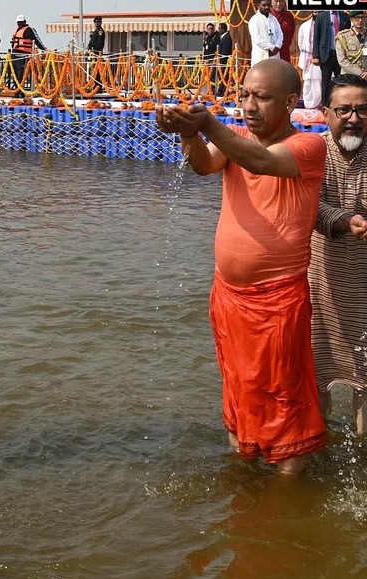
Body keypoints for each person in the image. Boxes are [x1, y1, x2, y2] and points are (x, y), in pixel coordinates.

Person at [156, 59, 327, 474]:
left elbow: (262, 162)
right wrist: (187, 133)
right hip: (228, 295)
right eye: (245, 95)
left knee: (283, 397)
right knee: (239, 386)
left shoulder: (309, 146)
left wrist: (207, 124)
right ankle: (244, 473)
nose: (250, 106)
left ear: (290, 102)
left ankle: (285, 495)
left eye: (262, 98)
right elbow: (203, 164)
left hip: (277, 298)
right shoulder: (235, 139)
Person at [308, 74, 367, 431]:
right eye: (344, 109)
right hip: (319, 285)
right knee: (315, 374)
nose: (354, 118)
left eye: (362, 110)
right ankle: (319, 448)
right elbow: (306, 206)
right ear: (326, 113)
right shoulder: (310, 151)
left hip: (363, 287)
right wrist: (346, 221)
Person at [316, 10, 350, 107]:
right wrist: (315, 55)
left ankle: (341, 103)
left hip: (341, 55)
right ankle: (325, 105)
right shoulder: (321, 16)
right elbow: (317, 36)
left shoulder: (345, 16)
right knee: (325, 81)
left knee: (341, 80)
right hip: (326, 54)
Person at [10, 15, 45, 90]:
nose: (19, 24)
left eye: (21, 22)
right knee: (15, 74)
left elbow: (37, 40)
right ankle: (17, 90)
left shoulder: (29, 30)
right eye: (18, 22)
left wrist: (44, 49)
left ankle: (20, 91)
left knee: (21, 74)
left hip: (24, 55)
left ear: (25, 22)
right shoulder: (17, 30)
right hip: (15, 54)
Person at [248, 0, 282, 67]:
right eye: (264, 5)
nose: (267, 7)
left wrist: (278, 46)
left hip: (274, 55)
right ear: (258, 5)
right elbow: (257, 38)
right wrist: (271, 47)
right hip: (261, 56)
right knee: (261, 77)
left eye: (268, 5)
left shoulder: (274, 19)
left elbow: (280, 34)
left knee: (275, 76)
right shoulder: (254, 20)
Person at [298, 14, 322, 108]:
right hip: (307, 57)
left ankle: (318, 105)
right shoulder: (304, 25)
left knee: (318, 81)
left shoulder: (326, 24)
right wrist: (308, 53)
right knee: (307, 81)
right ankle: (308, 105)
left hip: (320, 59)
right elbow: (300, 42)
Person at [336, 11, 367, 79]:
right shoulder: (343, 36)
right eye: (357, 17)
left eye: (363, 17)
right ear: (351, 19)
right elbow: (342, 60)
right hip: (349, 76)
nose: (360, 20)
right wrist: (360, 73)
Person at [270, 0, 295, 65]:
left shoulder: (289, 16)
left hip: (284, 50)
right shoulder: (268, 14)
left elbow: (291, 32)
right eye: (276, 1)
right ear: (272, 2)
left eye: (280, 1)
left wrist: (284, 45)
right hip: (271, 51)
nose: (278, 4)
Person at [216, 22, 233, 98]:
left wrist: (221, 60)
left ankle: (222, 92)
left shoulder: (227, 38)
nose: (218, 30)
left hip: (224, 62)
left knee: (224, 77)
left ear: (223, 29)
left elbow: (225, 52)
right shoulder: (222, 37)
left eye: (219, 29)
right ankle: (221, 91)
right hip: (220, 61)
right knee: (221, 77)